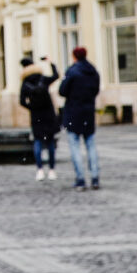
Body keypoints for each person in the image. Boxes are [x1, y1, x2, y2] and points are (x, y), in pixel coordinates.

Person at [59, 46, 101, 191]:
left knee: (75, 146)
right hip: (88, 111)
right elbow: (96, 90)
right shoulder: (93, 71)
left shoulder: (72, 71)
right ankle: (95, 177)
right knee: (91, 145)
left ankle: (80, 178)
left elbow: (62, 91)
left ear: (74, 56)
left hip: (73, 112)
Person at [19, 56, 60, 181]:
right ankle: (52, 170)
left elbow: (21, 101)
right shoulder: (43, 79)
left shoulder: (25, 83)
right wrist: (51, 62)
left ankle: (40, 170)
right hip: (48, 113)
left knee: (38, 141)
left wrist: (31, 107)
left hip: (36, 115)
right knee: (50, 142)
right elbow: (56, 76)